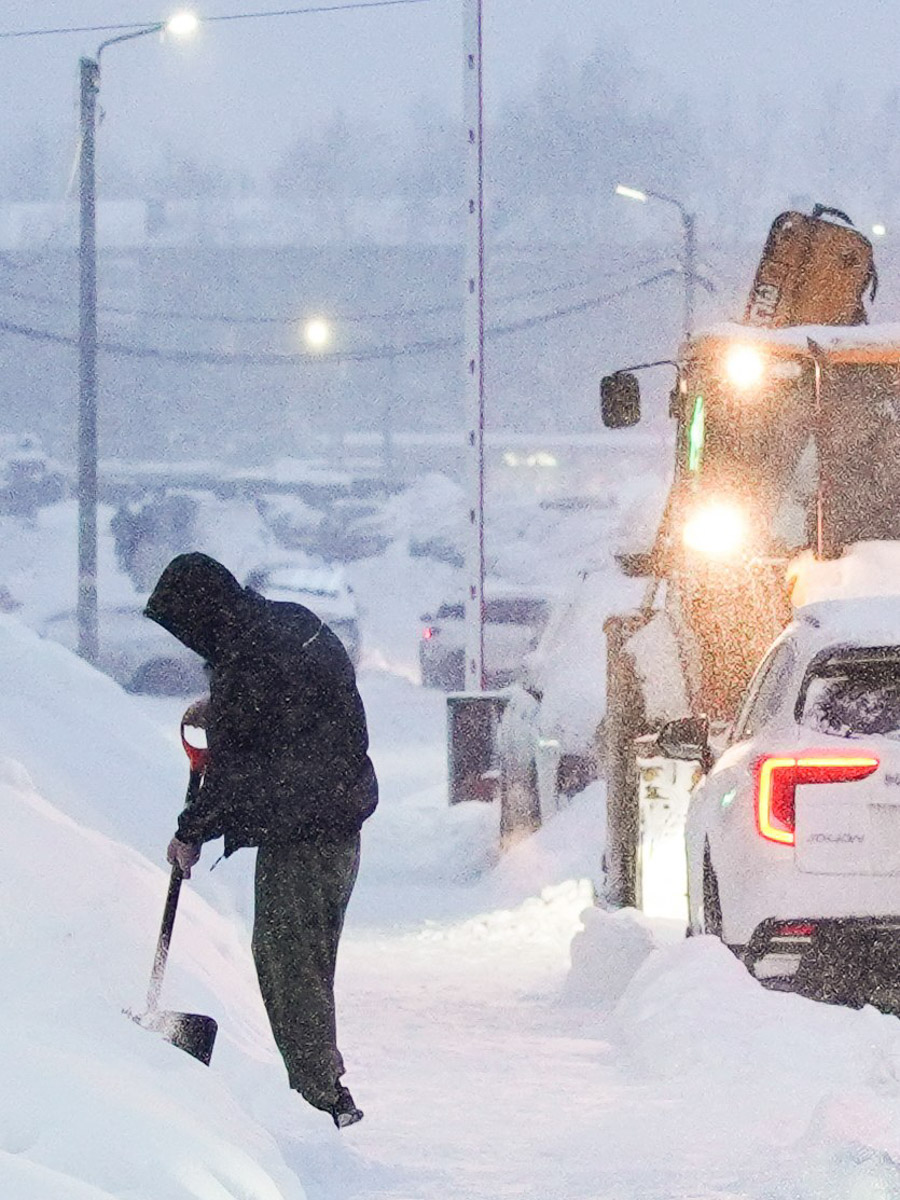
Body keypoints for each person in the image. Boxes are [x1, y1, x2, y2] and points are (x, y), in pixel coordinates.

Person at [144, 552, 377, 1129]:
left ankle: (319, 1105)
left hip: (303, 831)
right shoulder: (284, 623)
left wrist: (189, 833)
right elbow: (284, 718)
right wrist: (222, 713)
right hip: (337, 823)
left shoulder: (252, 657)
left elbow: (242, 768)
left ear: (203, 613)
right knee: (307, 962)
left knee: (287, 963)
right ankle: (321, 1090)